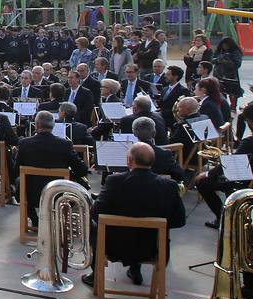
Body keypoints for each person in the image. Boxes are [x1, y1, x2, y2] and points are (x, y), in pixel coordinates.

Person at [81, 142, 186, 288]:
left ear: (129, 160)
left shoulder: (114, 181)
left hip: (114, 248)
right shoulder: (169, 185)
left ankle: (95, 275)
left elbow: (96, 213)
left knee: (93, 224)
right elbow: (179, 221)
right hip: (153, 249)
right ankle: (135, 268)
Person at [13, 110, 89, 220]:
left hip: (30, 195)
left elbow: (16, 170)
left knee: (20, 181)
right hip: (59, 195)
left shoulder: (24, 143)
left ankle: (35, 219)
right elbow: (82, 170)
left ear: (37, 125)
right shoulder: (65, 144)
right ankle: (59, 220)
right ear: (53, 126)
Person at [131, 116, 186, 185]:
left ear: (134, 133)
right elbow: (180, 175)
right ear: (154, 133)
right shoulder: (165, 154)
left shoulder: (128, 153)